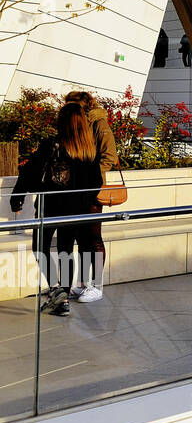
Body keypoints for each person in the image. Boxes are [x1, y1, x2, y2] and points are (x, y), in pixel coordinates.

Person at [9, 103, 105, 316]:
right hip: (78, 209)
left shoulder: (52, 145)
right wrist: (82, 199)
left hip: (50, 206)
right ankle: (62, 295)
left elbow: (29, 172)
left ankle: (57, 291)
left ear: (64, 122)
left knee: (40, 247)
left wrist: (18, 197)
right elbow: (96, 182)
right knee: (65, 250)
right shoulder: (89, 150)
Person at [63, 91, 119, 302]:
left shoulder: (98, 124)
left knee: (93, 236)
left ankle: (96, 286)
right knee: (82, 238)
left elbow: (110, 156)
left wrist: (90, 176)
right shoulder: (78, 124)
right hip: (76, 190)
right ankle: (83, 284)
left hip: (93, 190)